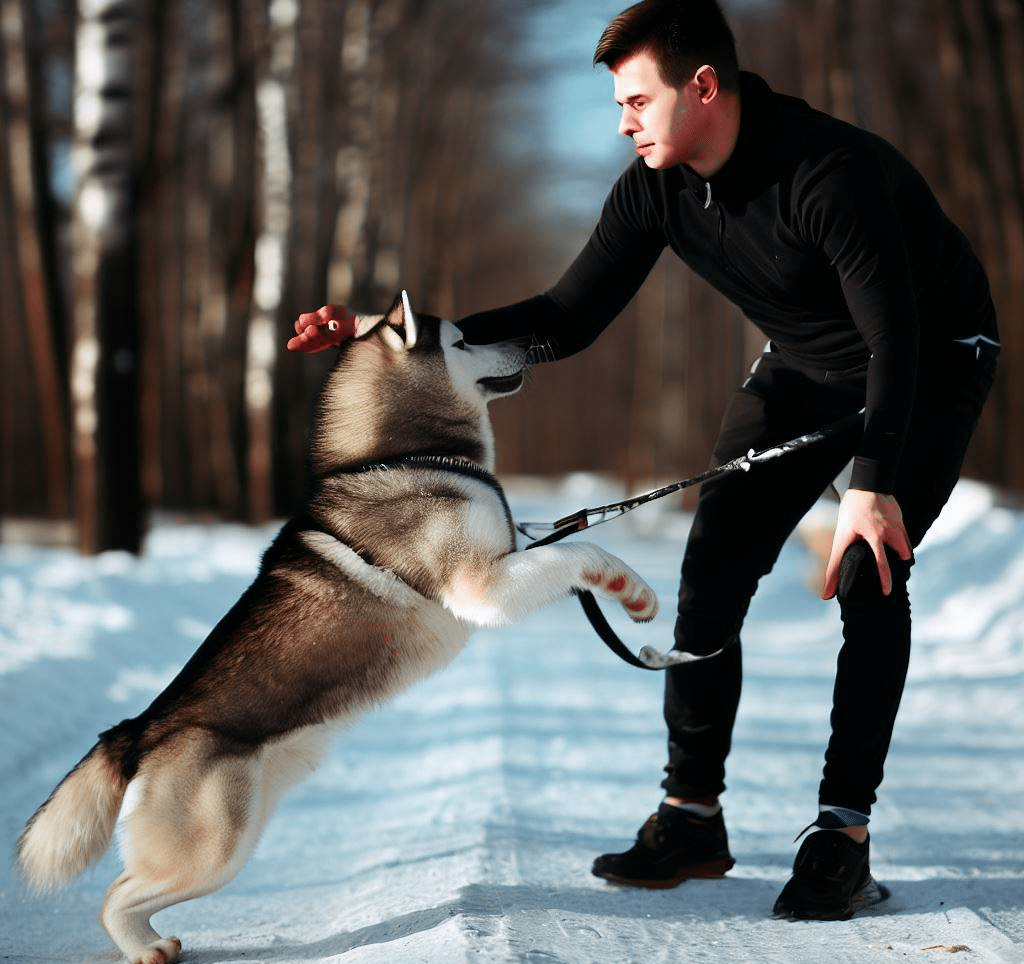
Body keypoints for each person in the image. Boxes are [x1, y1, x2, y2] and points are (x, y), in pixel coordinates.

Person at [289, 0, 999, 921]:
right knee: (711, 571)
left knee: (871, 570)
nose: (623, 121)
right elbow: (566, 319)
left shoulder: (828, 172)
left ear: (702, 87)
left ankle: (841, 836)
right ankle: (692, 816)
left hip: (930, 360)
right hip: (805, 366)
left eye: (635, 100)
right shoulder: (657, 186)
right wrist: (406, 336)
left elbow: (897, 335)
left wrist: (869, 487)